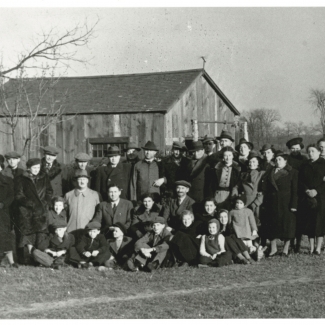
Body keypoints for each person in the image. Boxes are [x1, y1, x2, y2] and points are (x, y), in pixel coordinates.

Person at [15, 158, 53, 263]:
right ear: (28, 168)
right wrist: (29, 203)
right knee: (28, 236)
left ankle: (38, 258)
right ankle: (27, 258)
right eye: (34, 168)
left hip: (41, 211)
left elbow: (49, 191)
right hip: (27, 213)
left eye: (38, 167)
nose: (36, 170)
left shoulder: (44, 177)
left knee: (40, 236)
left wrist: (46, 202)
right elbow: (18, 195)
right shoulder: (21, 179)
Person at [262, 150, 298, 257]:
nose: (278, 161)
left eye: (280, 159)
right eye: (276, 159)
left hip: (286, 203)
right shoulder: (270, 171)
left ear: (285, 161)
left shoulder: (293, 172)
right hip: (272, 202)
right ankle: (273, 248)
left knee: (288, 226)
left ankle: (286, 249)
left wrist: (294, 205)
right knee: (272, 225)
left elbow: (295, 190)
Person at [235, 151, 265, 246]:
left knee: (257, 222)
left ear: (258, 163)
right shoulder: (244, 174)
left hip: (257, 203)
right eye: (250, 162)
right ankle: (248, 243)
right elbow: (237, 186)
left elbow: (264, 190)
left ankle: (259, 244)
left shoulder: (262, 174)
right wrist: (236, 195)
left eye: (254, 162)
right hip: (245, 202)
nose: (251, 164)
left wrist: (256, 203)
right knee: (246, 222)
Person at [299, 144, 325, 255]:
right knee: (310, 222)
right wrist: (307, 190)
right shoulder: (305, 165)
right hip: (308, 197)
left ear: (319, 152)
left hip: (321, 197)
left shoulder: (323, 164)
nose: (310, 153)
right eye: (309, 151)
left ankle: (318, 248)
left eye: (313, 151)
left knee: (319, 222)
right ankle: (311, 247)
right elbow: (301, 180)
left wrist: (316, 191)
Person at [0, 155, 17, 268]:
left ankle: (11, 262)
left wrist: (3, 204)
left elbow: (12, 196)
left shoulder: (8, 180)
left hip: (3, 212)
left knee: (5, 236)